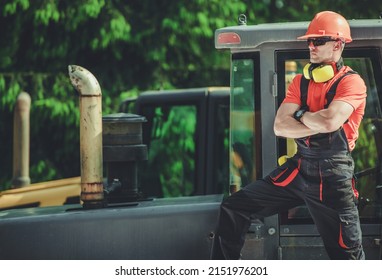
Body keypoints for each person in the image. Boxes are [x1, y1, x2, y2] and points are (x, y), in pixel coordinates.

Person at [211, 11, 367, 260]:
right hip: (300, 168)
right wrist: (313, 119)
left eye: (318, 41)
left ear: (338, 44)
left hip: (333, 178)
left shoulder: (352, 82)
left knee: (348, 259)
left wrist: (301, 115)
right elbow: (280, 127)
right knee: (234, 207)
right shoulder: (299, 82)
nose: (311, 46)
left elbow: (330, 121)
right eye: (309, 41)